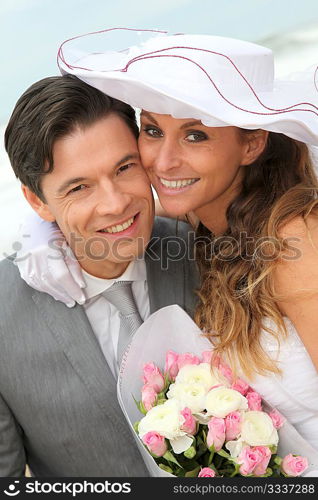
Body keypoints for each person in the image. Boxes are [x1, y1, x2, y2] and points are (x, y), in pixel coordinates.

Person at [14, 31, 318, 450]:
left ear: (252, 141)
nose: (163, 160)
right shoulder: (205, 226)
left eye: (195, 135)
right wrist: (49, 227)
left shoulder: (293, 240)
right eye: (153, 130)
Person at [0, 74, 198, 477]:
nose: (116, 203)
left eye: (124, 167)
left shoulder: (208, 251)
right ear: (37, 201)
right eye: (79, 188)